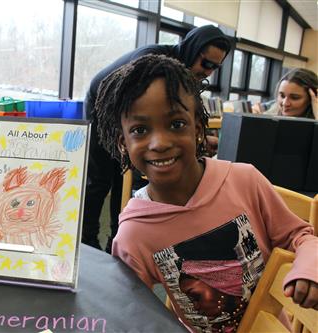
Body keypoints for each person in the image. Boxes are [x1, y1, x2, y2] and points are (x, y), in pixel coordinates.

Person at [94, 54, 318, 332]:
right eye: (140, 130)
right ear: (123, 144)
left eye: (176, 124)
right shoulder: (134, 233)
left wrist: (309, 268)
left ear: (198, 129)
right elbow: (127, 310)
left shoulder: (244, 181)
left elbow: (301, 237)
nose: (160, 143)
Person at [83, 25, 232, 252]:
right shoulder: (154, 60)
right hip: (102, 106)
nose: (208, 71)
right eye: (206, 63)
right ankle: (87, 243)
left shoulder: (185, 74)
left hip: (133, 119)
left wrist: (200, 139)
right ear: (192, 49)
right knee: (99, 178)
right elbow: (134, 107)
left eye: (215, 67)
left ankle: (116, 238)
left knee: (123, 175)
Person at [252, 68, 317, 120]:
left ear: (312, 99)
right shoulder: (272, 107)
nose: (285, 103)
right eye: (282, 96)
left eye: (294, 97)